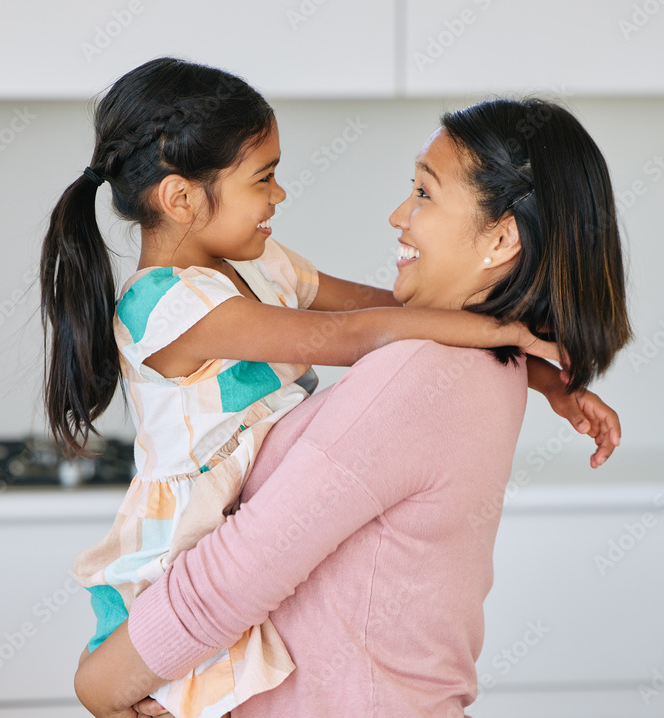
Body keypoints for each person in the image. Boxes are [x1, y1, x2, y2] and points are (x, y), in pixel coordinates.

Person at [72, 94, 631, 717]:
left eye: (423, 192)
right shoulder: (479, 364)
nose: (399, 214)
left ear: (501, 236)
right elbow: (370, 323)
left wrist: (97, 687)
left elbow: (233, 578)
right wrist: (531, 358)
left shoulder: (421, 370)